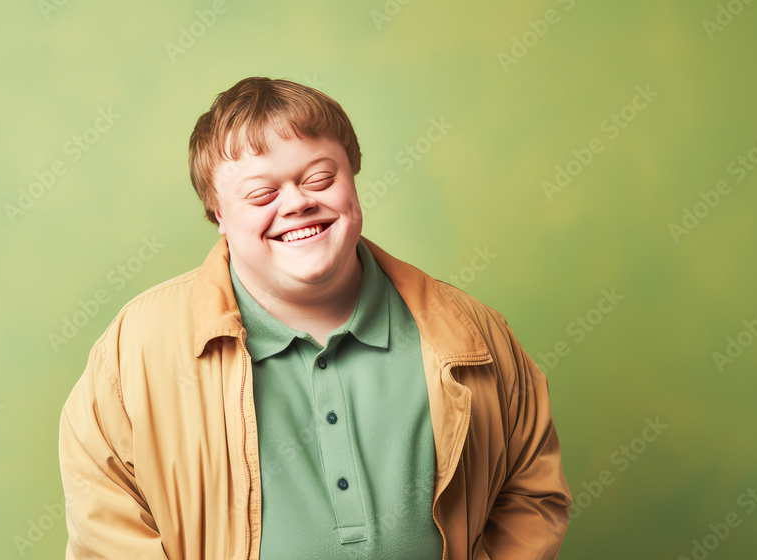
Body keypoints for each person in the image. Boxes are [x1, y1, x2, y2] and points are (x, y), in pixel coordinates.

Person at [59, 76, 572, 560]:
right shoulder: (137, 348)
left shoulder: (470, 331)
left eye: (320, 177)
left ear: (352, 177)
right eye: (262, 193)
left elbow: (533, 490)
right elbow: (106, 523)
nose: (298, 203)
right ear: (217, 213)